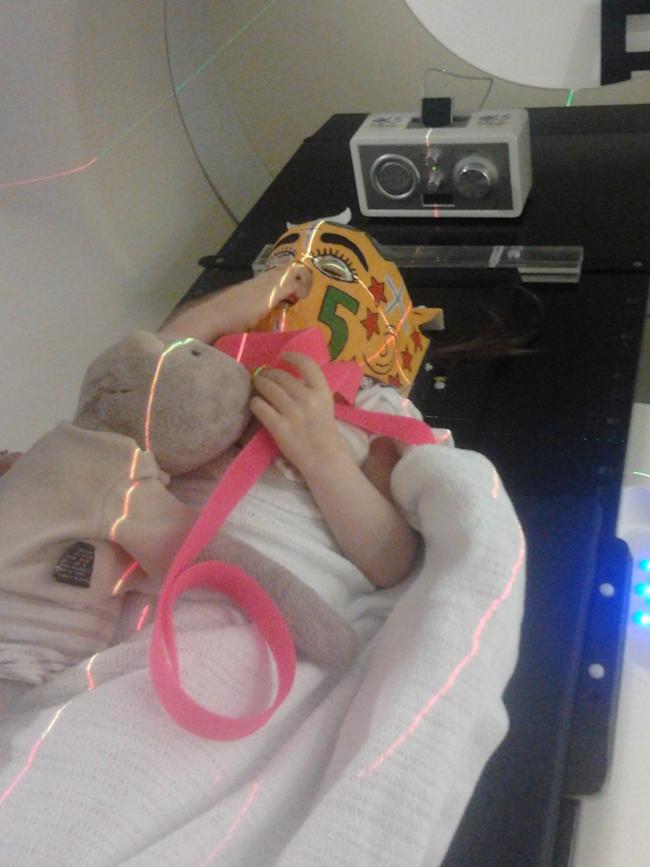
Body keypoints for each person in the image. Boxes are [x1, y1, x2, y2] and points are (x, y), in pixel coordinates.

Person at [159, 258, 421, 591]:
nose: (293, 289)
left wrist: (322, 455)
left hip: (269, 601)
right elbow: (144, 368)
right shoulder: (203, 376)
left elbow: (392, 562)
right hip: (153, 577)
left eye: (330, 272)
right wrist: (220, 311)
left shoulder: (372, 414)